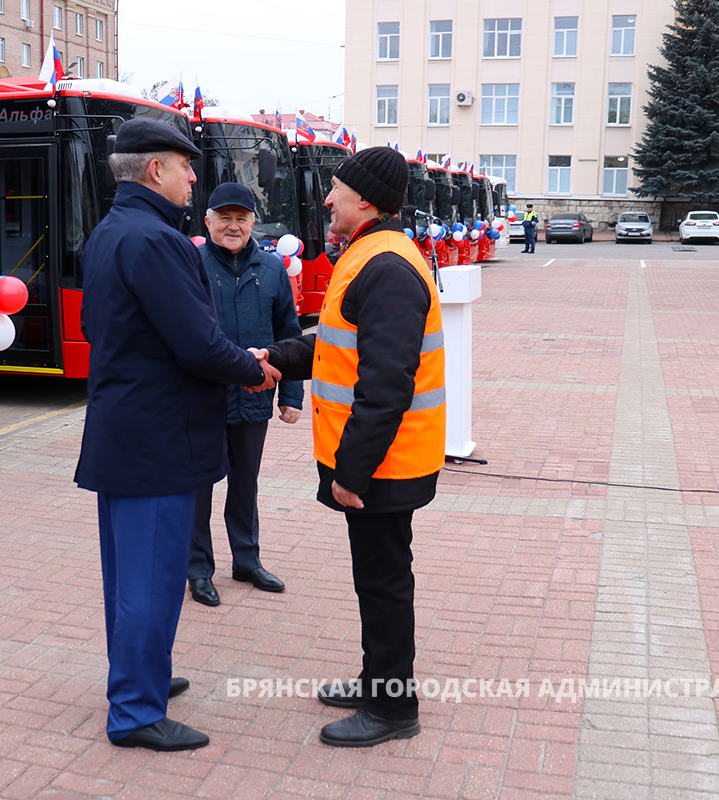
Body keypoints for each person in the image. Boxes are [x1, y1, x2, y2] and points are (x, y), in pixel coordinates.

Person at [74, 119, 274, 752]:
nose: (195, 177)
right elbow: (196, 342)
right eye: (186, 167)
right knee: (150, 580)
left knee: (131, 576)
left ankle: (141, 676)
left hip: (129, 435)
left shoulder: (112, 232)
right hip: (155, 441)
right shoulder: (157, 241)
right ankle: (134, 712)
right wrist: (253, 368)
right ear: (156, 170)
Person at [258, 146, 446, 748]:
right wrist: (277, 358)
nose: (327, 198)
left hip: (383, 466)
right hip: (380, 462)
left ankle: (393, 709)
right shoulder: (369, 254)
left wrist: (352, 473)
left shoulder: (386, 265)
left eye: (336, 188)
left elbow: (386, 384)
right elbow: (339, 345)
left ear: (365, 199)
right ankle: (378, 683)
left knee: (385, 582)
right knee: (377, 579)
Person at [189, 183, 304, 607]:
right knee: (200, 486)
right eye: (224, 217)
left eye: (241, 218)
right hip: (202, 399)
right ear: (208, 221)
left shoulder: (271, 269)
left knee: (246, 484)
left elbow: (289, 336)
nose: (233, 226)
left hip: (254, 398)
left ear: (253, 222)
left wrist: (292, 395)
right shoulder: (192, 264)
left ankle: (246, 559)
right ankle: (198, 569)